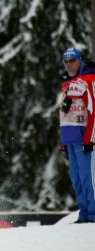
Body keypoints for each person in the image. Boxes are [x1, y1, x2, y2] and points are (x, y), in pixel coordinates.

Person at [59, 47, 95, 223]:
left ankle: (93, 214)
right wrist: (62, 142)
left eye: (72, 60)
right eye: (65, 61)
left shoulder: (89, 79)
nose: (68, 65)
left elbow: (93, 110)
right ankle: (84, 213)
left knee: (87, 179)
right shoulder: (65, 83)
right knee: (76, 179)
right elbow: (66, 113)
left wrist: (90, 139)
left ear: (80, 61)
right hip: (69, 138)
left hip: (84, 139)